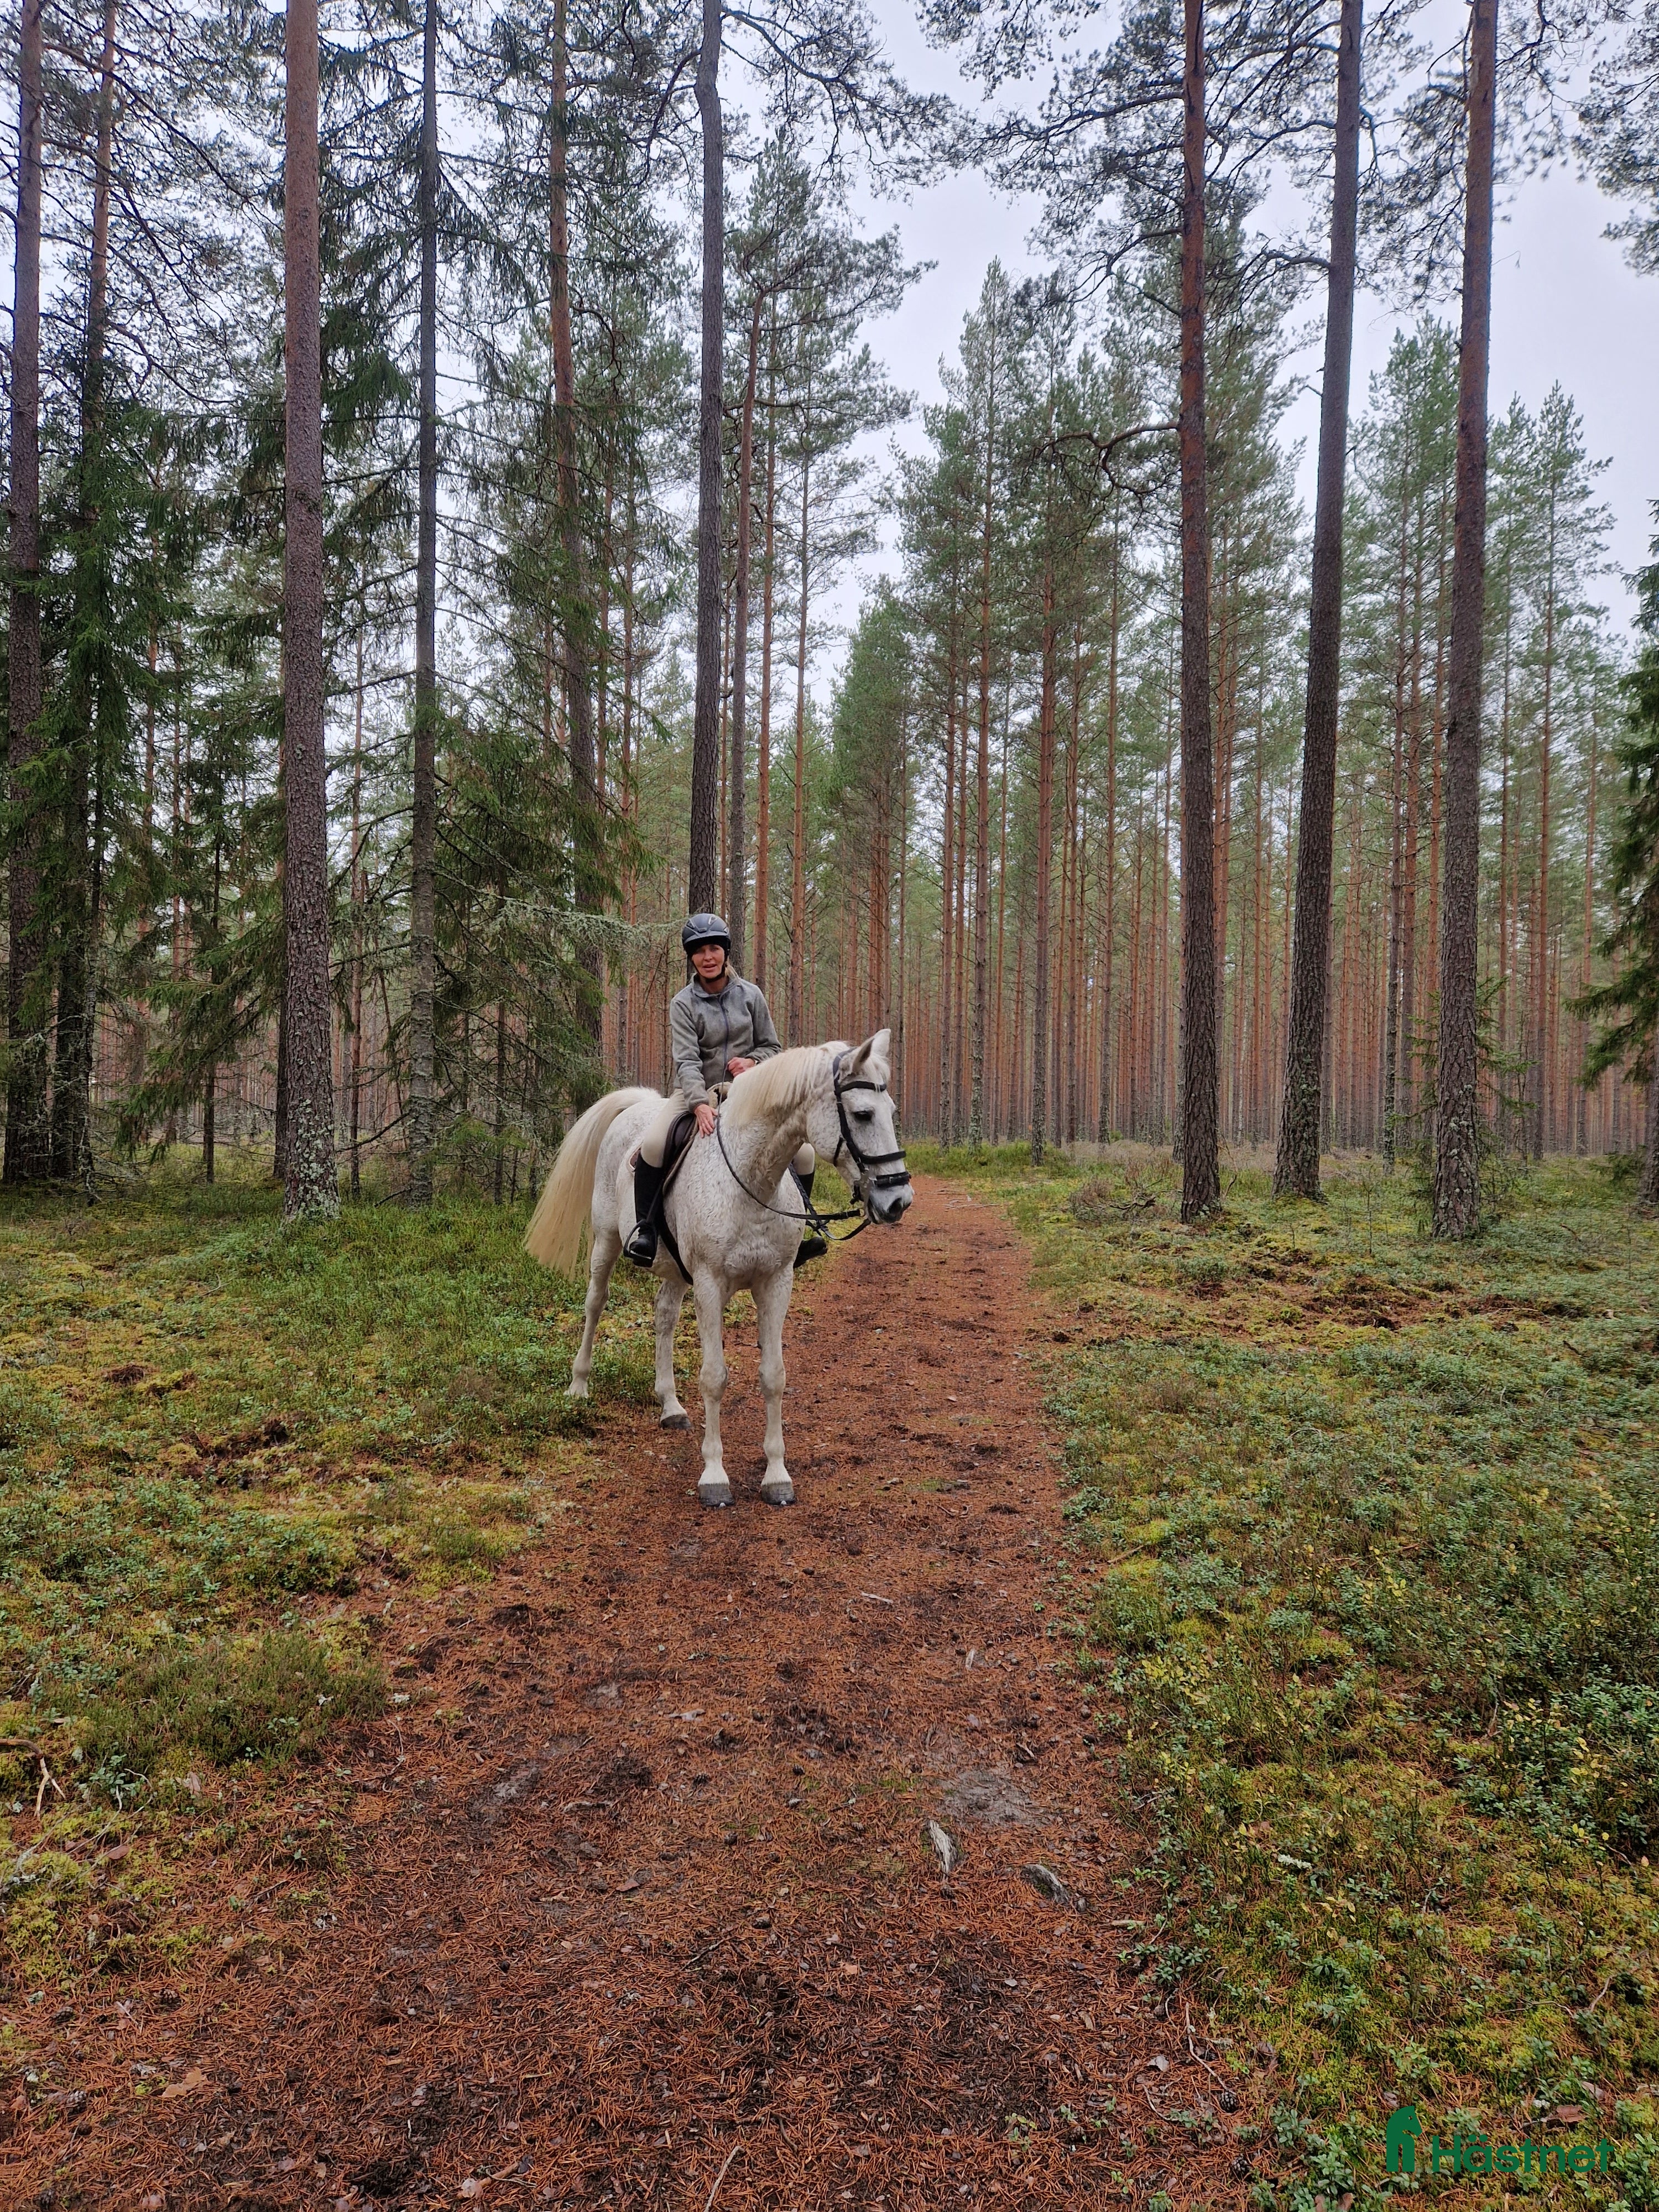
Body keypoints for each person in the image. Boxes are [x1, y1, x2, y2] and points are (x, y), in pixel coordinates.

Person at [625, 914, 818, 1266]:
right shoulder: (683, 1003)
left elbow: (772, 1047)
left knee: (804, 1154)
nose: (707, 957)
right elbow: (687, 1061)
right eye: (699, 951)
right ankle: (646, 1230)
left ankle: (799, 1230)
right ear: (691, 957)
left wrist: (754, 1062)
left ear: (726, 952)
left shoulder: (751, 996)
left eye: (714, 948)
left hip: (748, 1093)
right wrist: (699, 1104)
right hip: (696, 1091)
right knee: (653, 1145)